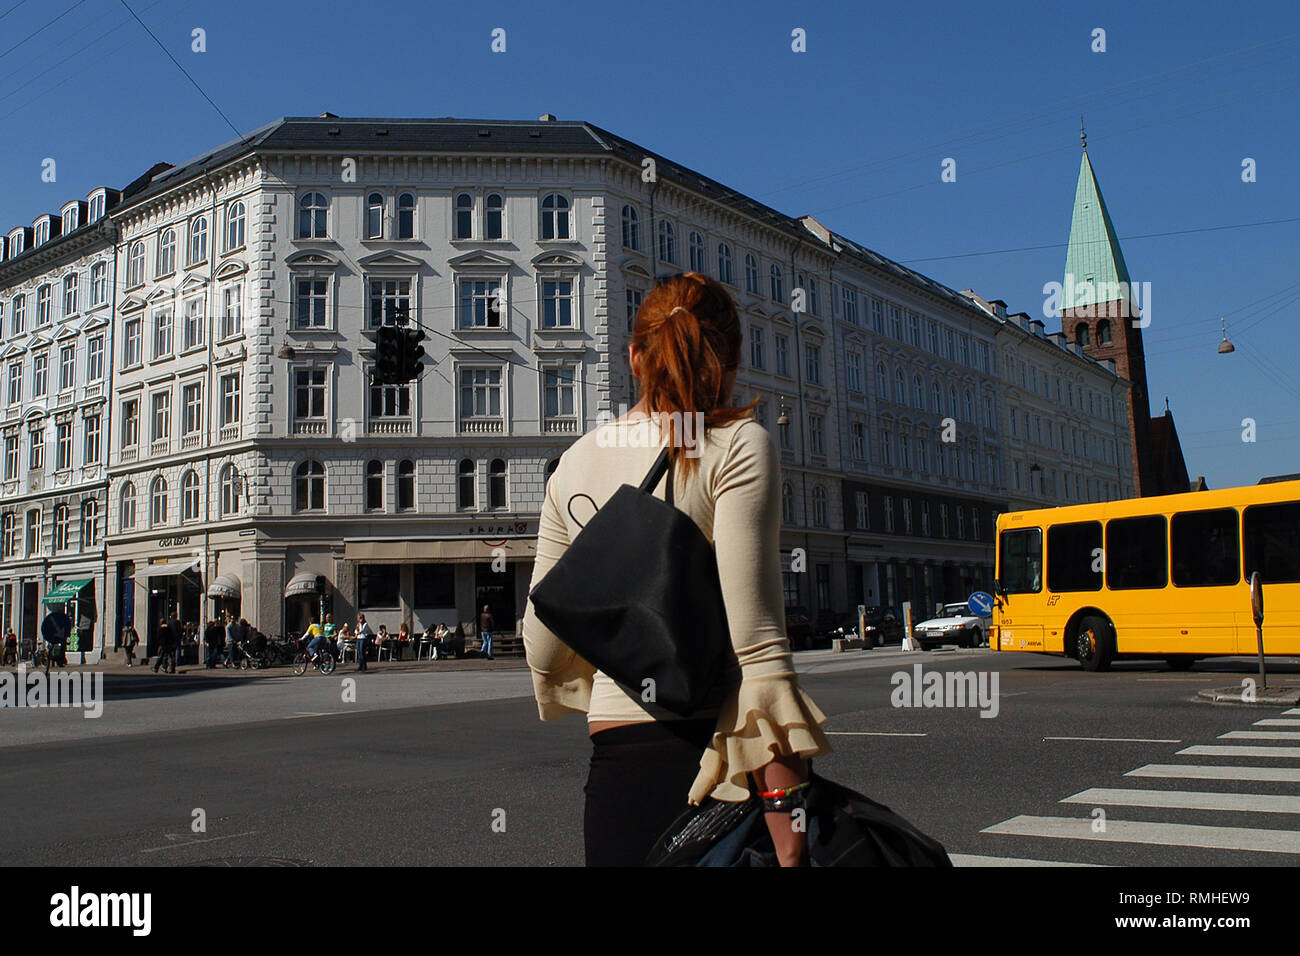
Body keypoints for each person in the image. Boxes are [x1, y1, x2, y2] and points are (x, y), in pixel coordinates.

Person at [522, 272, 830, 867]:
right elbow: (760, 659)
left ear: (636, 357)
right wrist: (791, 844)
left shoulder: (574, 461)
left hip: (615, 778)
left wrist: (623, 657)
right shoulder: (738, 443)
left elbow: (543, 647)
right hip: (718, 771)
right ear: (734, 355)